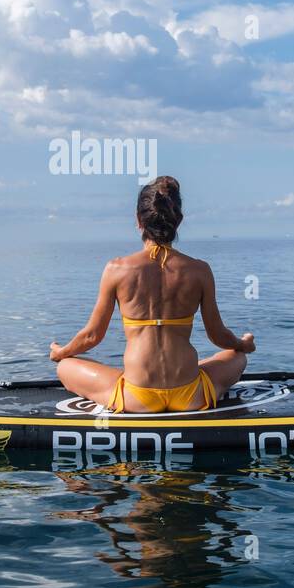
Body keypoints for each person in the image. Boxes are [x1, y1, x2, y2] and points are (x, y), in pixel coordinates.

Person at [50, 176, 255, 412]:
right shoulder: (200, 270)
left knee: (65, 366)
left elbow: (91, 336)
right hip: (191, 394)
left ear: (139, 221)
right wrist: (243, 344)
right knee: (238, 358)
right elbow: (218, 336)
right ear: (178, 221)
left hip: (136, 397)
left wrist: (60, 352)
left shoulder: (117, 269)